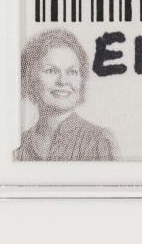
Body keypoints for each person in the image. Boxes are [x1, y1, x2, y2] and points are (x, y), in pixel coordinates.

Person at [15, 29, 116, 160]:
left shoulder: (99, 141)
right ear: (30, 77)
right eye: (51, 71)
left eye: (72, 72)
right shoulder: (18, 144)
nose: (63, 81)